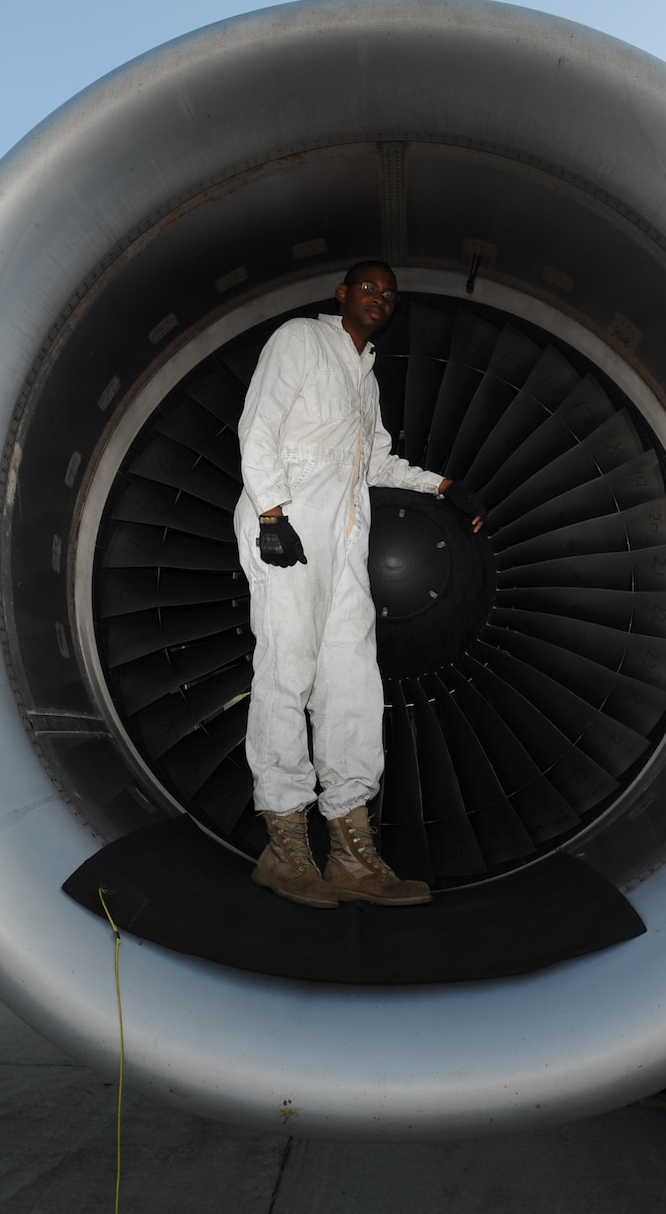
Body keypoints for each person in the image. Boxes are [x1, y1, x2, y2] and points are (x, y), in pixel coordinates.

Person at [234, 261, 487, 908]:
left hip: (346, 542)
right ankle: (285, 844)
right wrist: (270, 515)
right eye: (368, 288)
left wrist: (444, 487)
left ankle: (351, 852)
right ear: (341, 294)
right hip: (287, 527)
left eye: (389, 294)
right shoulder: (299, 340)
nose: (380, 299)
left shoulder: (364, 379)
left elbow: (373, 461)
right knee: (286, 674)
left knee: (351, 685)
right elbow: (257, 428)